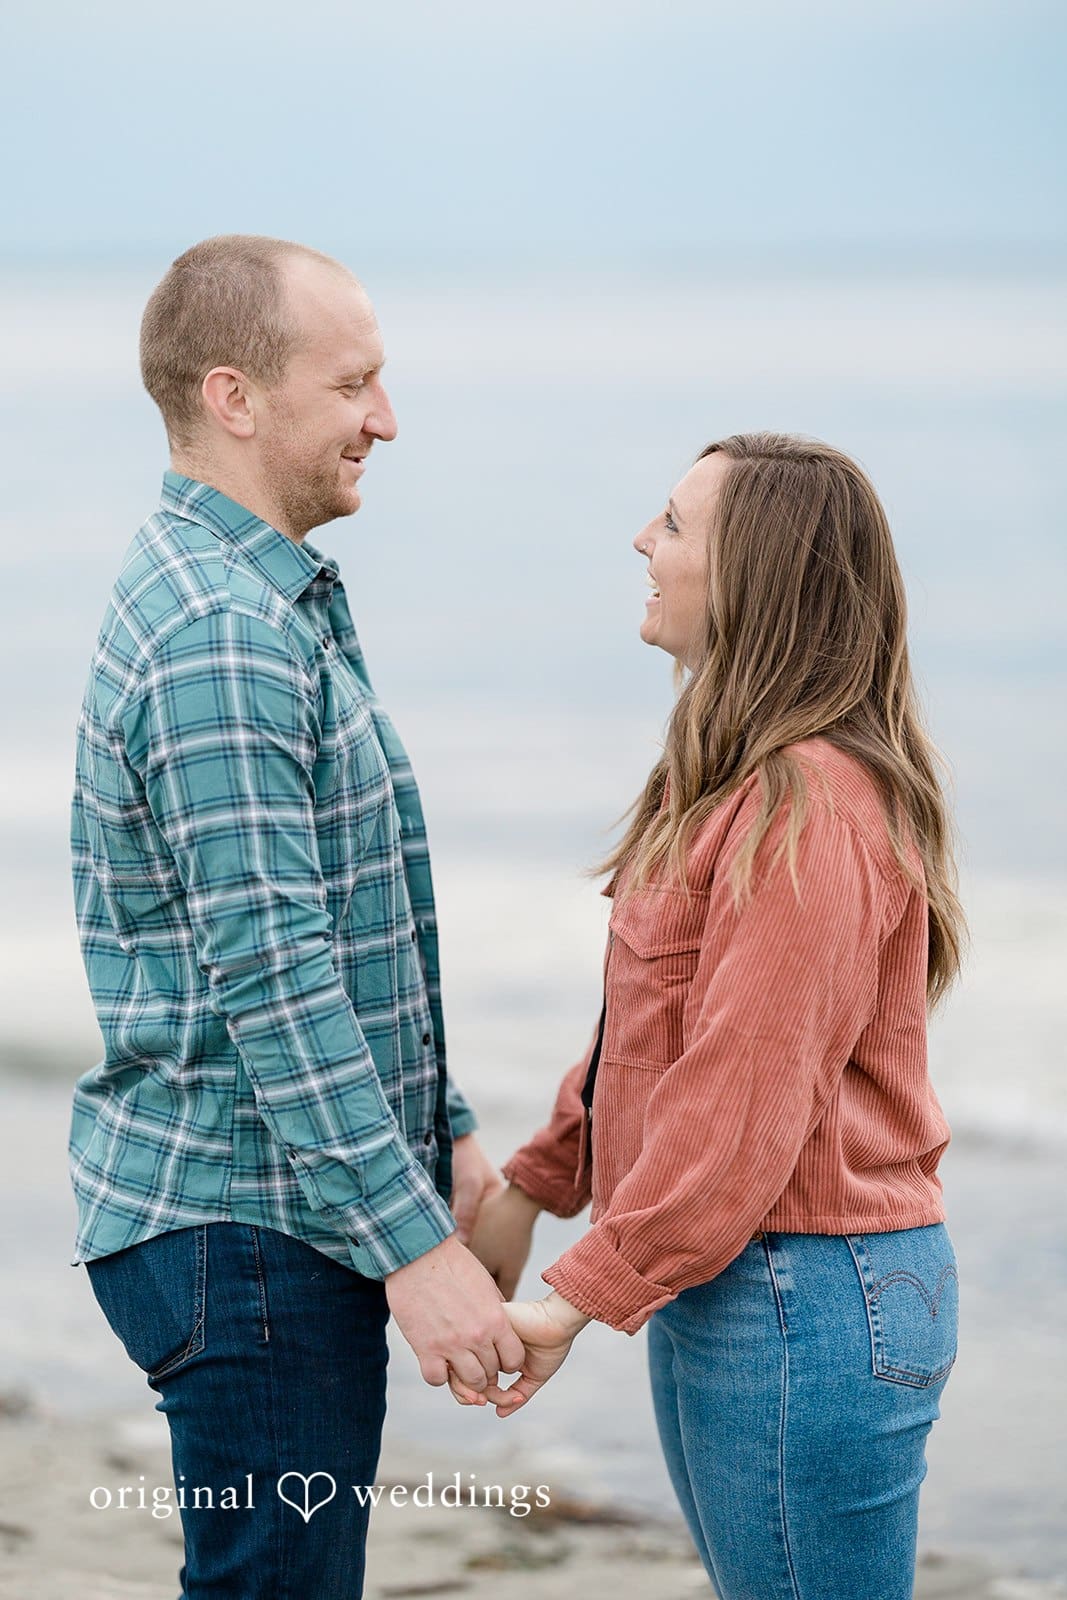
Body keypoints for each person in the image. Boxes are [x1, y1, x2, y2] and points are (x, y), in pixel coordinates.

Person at [69, 234, 524, 1599]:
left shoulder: (270, 598)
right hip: (246, 1229)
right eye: (355, 385)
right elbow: (272, 977)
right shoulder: (221, 629)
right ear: (235, 396)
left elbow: (345, 919)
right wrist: (414, 1250)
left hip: (271, 1211)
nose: (385, 419)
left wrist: (443, 1141)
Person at [466, 433, 963, 1600]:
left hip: (806, 1291)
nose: (644, 541)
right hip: (736, 1278)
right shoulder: (732, 783)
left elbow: (734, 1103)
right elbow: (646, 1029)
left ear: (758, 577)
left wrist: (571, 1300)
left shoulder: (810, 808)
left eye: (675, 525)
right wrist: (538, 1185)